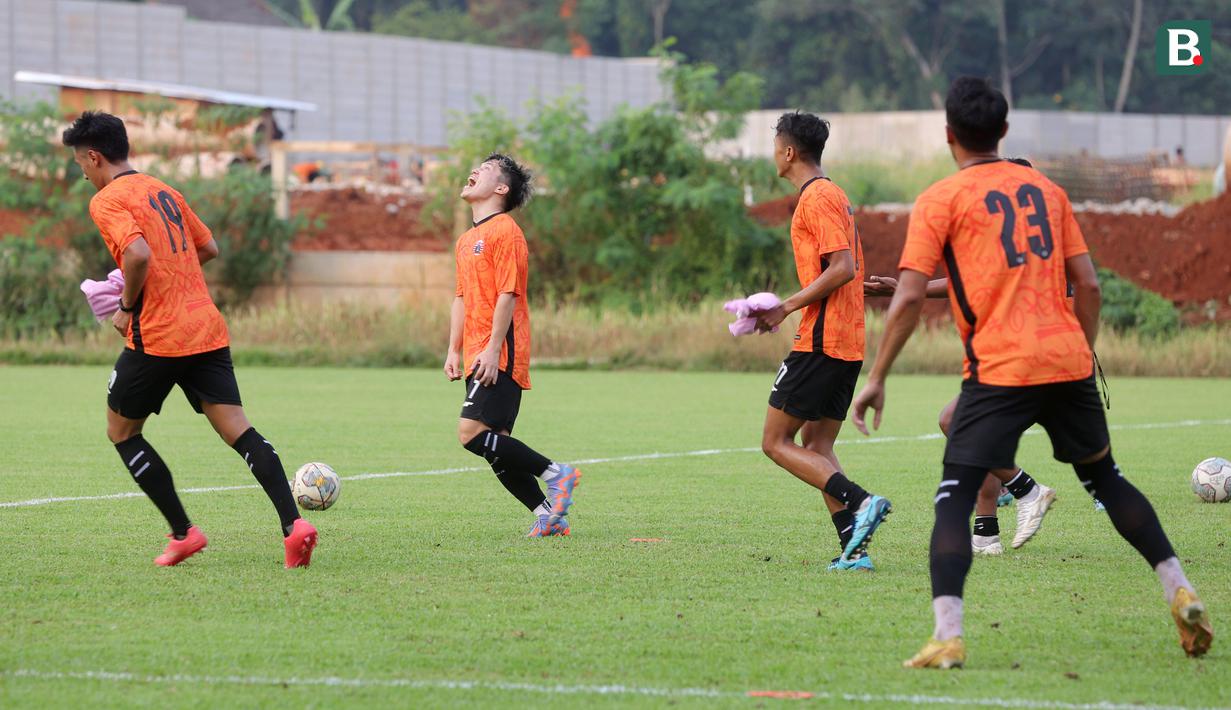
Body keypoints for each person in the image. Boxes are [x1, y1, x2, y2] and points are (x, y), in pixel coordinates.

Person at [851, 77, 1212, 668]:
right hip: (1068, 360)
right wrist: (1080, 353)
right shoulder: (1049, 192)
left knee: (952, 498)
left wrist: (877, 376)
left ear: (948, 134)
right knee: (1107, 480)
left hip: (1000, 367)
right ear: (1004, 130)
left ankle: (947, 636)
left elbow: (910, 296)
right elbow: (1089, 286)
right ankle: (1181, 589)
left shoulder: (941, 198)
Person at [62, 111, 317, 568]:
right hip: (206, 327)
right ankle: (293, 525)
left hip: (158, 334)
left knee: (122, 432)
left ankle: (184, 533)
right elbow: (208, 248)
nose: (82, 172)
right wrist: (161, 272)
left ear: (95, 157)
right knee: (239, 430)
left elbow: (137, 253)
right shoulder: (164, 190)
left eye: (81, 163)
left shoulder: (106, 200)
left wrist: (125, 305)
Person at [755, 112, 892, 572]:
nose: (774, 155)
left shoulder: (815, 197)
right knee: (817, 444)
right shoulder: (833, 194)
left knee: (775, 442)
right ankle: (855, 550)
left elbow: (842, 267)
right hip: (847, 341)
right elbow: (843, 268)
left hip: (821, 340)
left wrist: (786, 306)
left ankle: (862, 500)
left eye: (776, 147)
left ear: (789, 152)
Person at [864, 274, 1056, 555]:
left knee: (956, 421)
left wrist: (909, 289)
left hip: (1031, 360)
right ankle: (986, 535)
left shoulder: (1027, 256)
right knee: (979, 432)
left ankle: (1027, 490)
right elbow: (967, 279)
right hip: (1022, 358)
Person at [446, 154, 581, 537]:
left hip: (499, 352)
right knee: (497, 445)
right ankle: (547, 516)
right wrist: (453, 349)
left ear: (502, 188)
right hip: (476, 352)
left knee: (471, 434)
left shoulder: (506, 231)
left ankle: (557, 473)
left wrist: (492, 350)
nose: (475, 171)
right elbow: (461, 298)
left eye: (486, 169)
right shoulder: (466, 240)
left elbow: (508, 294)